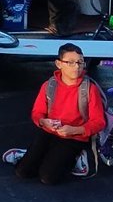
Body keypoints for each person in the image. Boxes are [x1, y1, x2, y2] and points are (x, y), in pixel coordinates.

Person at [15, 43, 107, 185]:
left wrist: (75, 130)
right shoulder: (49, 85)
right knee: (23, 172)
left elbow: (99, 122)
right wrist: (43, 122)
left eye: (80, 62)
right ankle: (29, 154)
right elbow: (37, 112)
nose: (76, 67)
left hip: (75, 137)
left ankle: (77, 158)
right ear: (59, 64)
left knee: (48, 177)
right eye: (70, 62)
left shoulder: (89, 89)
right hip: (49, 131)